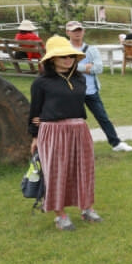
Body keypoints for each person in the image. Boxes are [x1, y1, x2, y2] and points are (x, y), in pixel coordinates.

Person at [29, 36, 100, 231]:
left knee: (84, 170)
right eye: (62, 56)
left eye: (71, 55)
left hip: (79, 129)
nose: (68, 59)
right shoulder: (41, 83)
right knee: (57, 172)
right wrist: (35, 136)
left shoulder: (79, 79)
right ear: (52, 59)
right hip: (53, 131)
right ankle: (60, 215)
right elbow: (35, 112)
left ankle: (87, 209)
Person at [67, 20, 132, 152]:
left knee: (102, 117)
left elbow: (98, 68)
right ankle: (71, 147)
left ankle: (116, 143)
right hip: (71, 91)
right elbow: (63, 67)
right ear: (68, 32)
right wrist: (85, 67)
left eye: (79, 30)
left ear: (83, 31)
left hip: (91, 90)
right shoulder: (64, 50)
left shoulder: (91, 49)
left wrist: (75, 67)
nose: (77, 33)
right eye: (74, 30)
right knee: (71, 121)